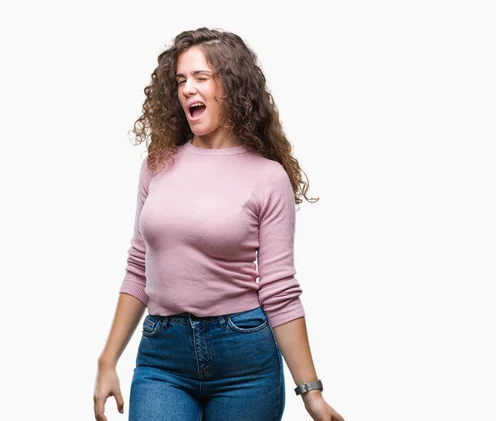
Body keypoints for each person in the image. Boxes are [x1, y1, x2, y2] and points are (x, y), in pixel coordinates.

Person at [93, 27, 345, 421]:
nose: (187, 89)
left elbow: (279, 289)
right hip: (163, 359)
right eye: (180, 80)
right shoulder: (157, 165)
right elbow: (139, 267)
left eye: (201, 78)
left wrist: (310, 392)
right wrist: (107, 360)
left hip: (244, 360)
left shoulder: (267, 177)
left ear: (231, 85)